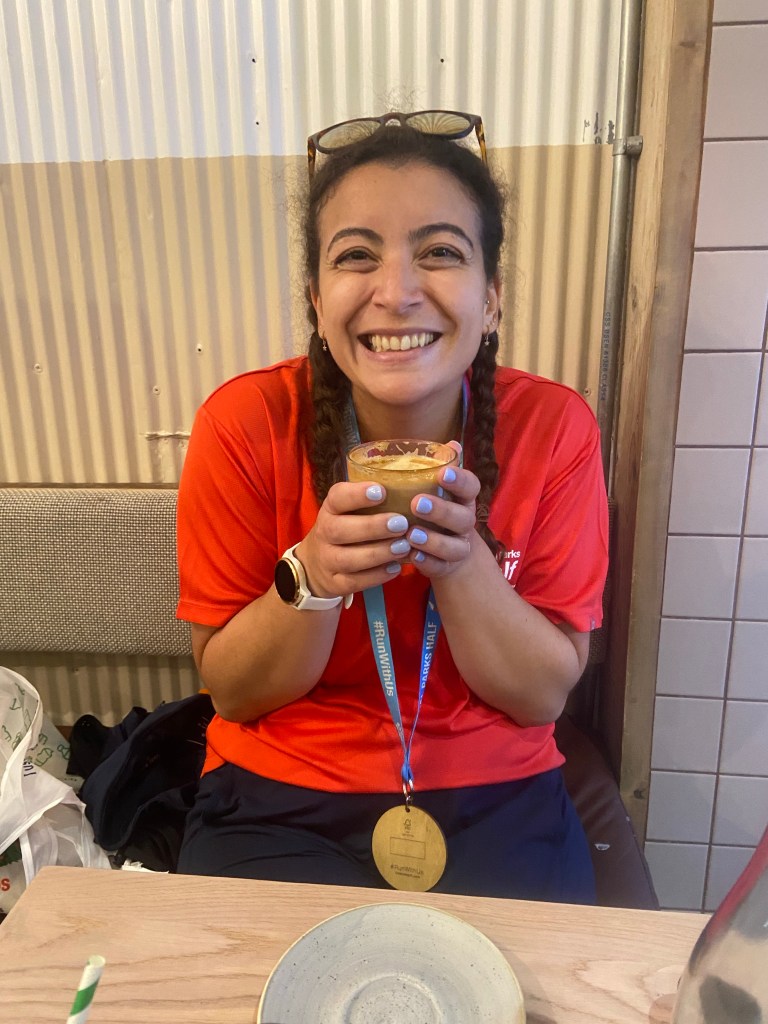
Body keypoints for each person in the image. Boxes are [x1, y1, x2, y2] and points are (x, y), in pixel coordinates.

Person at [175, 110, 608, 903]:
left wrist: (464, 562)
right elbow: (233, 693)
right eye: (356, 256)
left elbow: (541, 695)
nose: (397, 292)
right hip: (279, 795)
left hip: (496, 792)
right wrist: (312, 575)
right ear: (316, 299)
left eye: (440, 252)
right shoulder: (243, 423)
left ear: (493, 300)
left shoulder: (555, 429)